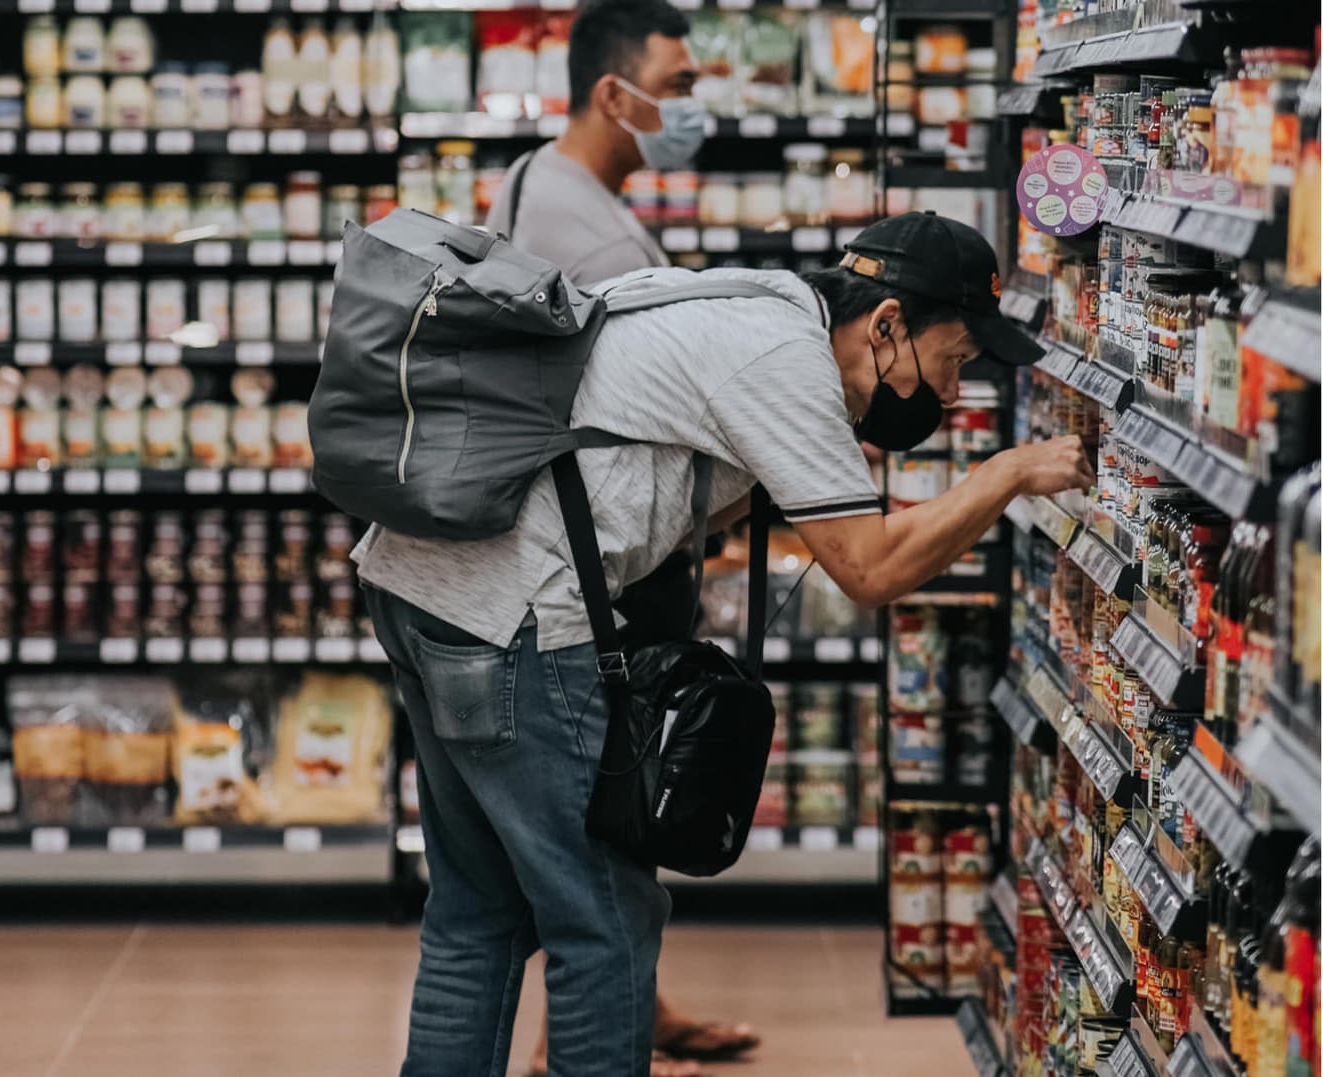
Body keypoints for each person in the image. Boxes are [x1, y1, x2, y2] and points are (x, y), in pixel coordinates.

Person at [358, 211, 1093, 1077]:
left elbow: (648, 463)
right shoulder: (783, 358)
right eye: (955, 359)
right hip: (514, 615)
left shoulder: (749, 301)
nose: (955, 392)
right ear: (888, 323)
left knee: (477, 913)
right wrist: (1005, 473)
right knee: (604, 925)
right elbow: (871, 568)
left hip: (418, 585)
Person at [481, 2, 756, 1071]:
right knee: (612, 812)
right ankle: (597, 1029)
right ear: (614, 93)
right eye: (679, 86)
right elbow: (653, 407)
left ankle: (638, 1002)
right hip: (597, 571)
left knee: (595, 824)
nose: (692, 109)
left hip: (563, 553)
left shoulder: (540, 180)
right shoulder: (589, 230)